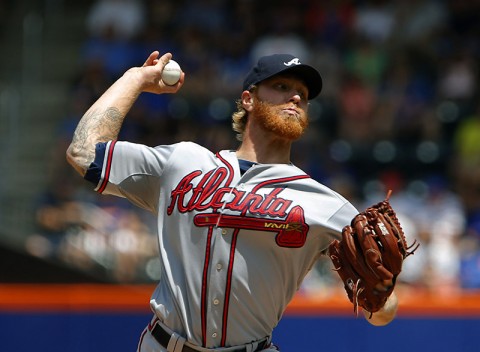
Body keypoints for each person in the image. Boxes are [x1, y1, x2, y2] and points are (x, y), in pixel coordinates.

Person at [66, 51, 398, 352]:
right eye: (282, 86)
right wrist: (134, 79)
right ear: (248, 99)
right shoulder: (182, 162)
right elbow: (82, 153)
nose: (296, 96)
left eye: (304, 95)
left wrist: (381, 295)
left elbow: (381, 313)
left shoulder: (327, 205)